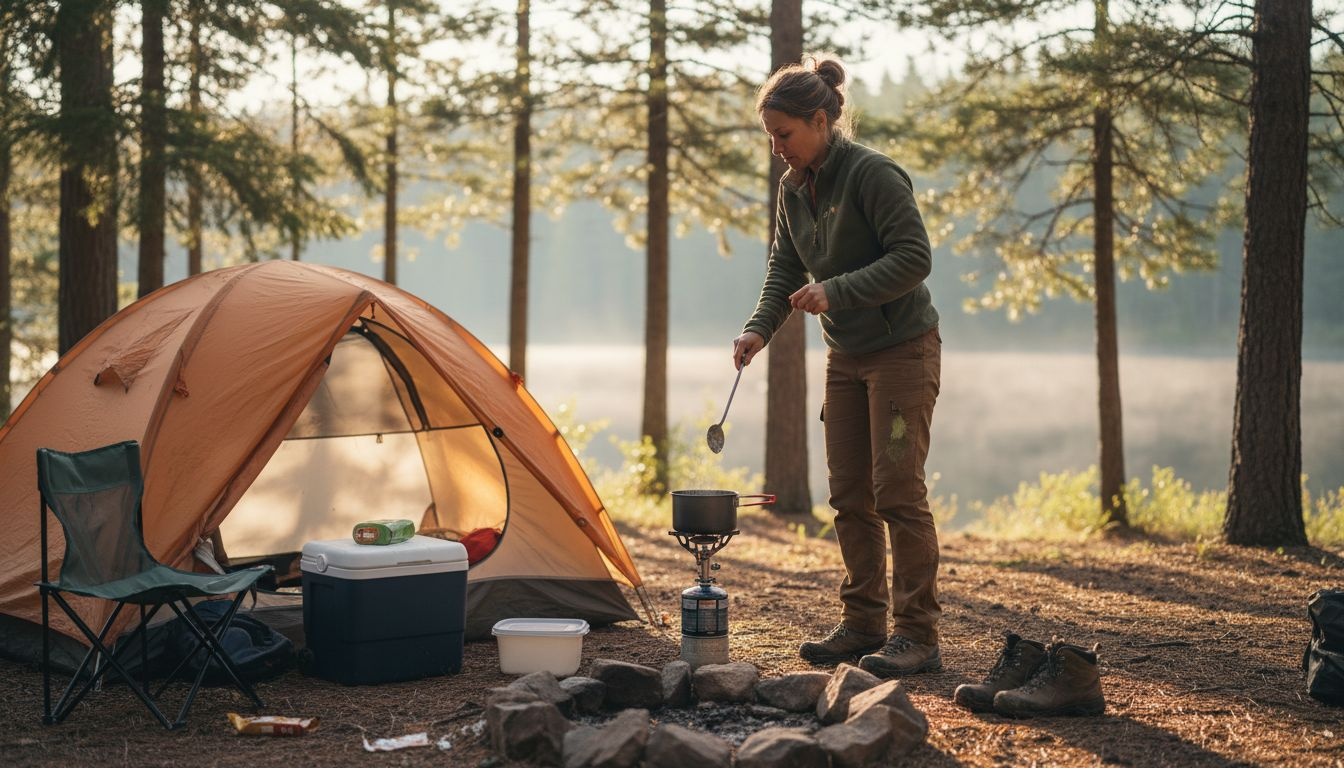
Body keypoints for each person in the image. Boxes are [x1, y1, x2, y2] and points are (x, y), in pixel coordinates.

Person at [732, 54, 943, 677]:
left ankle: (917, 635)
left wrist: (837, 290)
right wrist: (759, 328)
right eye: (770, 136)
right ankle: (862, 623)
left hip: (902, 351)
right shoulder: (792, 188)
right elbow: (785, 269)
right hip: (845, 356)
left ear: (821, 121)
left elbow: (914, 258)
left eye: (784, 134)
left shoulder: (873, 174)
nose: (777, 149)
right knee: (850, 496)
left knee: (897, 492)